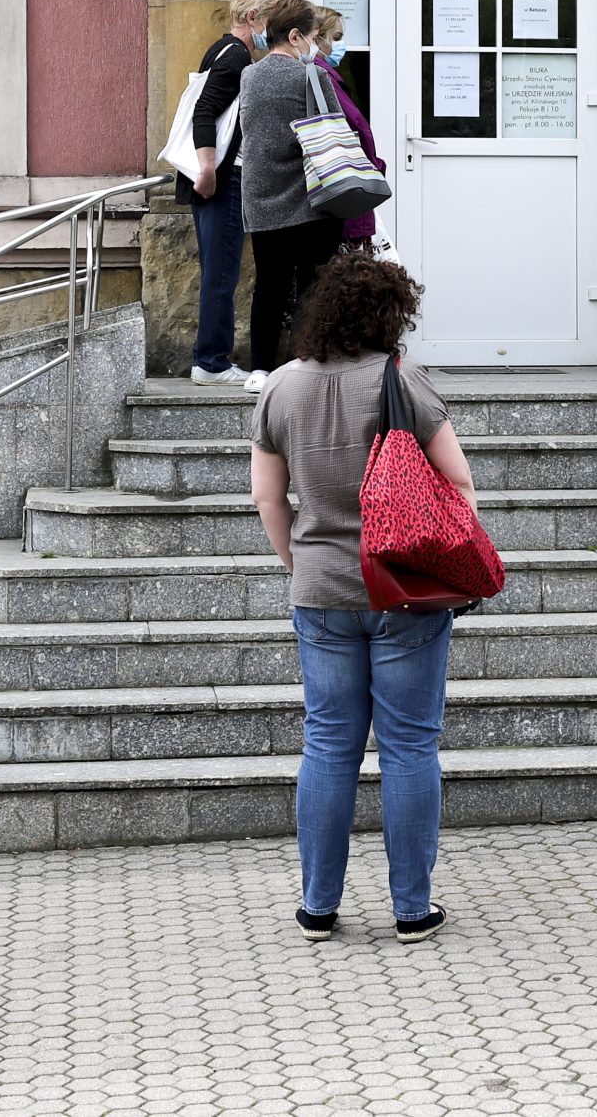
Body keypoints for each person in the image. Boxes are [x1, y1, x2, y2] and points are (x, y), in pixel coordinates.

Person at [249, 252, 475, 943]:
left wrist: (302, 563)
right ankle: (412, 909)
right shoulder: (403, 383)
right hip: (404, 590)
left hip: (321, 590)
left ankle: (318, 907)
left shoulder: (280, 388)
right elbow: (461, 487)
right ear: (391, 314)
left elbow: (266, 497)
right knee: (408, 747)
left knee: (327, 746)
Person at [238, 0, 347, 394]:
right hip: (310, 197)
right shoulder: (311, 77)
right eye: (316, 37)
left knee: (268, 284)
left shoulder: (250, 75)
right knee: (311, 285)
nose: (318, 47)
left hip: (263, 197)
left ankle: (260, 370)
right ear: (296, 35)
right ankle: (302, 364)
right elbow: (336, 127)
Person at [182, 0, 280, 385]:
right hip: (222, 180)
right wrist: (208, 169)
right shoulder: (237, 56)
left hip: (215, 179)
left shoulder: (221, 48)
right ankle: (211, 361)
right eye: (270, 20)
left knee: (216, 269)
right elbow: (205, 111)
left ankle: (209, 357)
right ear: (253, 18)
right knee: (222, 272)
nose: (270, 31)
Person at [311, 5, 384, 249]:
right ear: (317, 37)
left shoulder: (325, 73)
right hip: (348, 183)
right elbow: (357, 125)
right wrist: (375, 166)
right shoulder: (322, 75)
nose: (341, 45)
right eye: (337, 38)